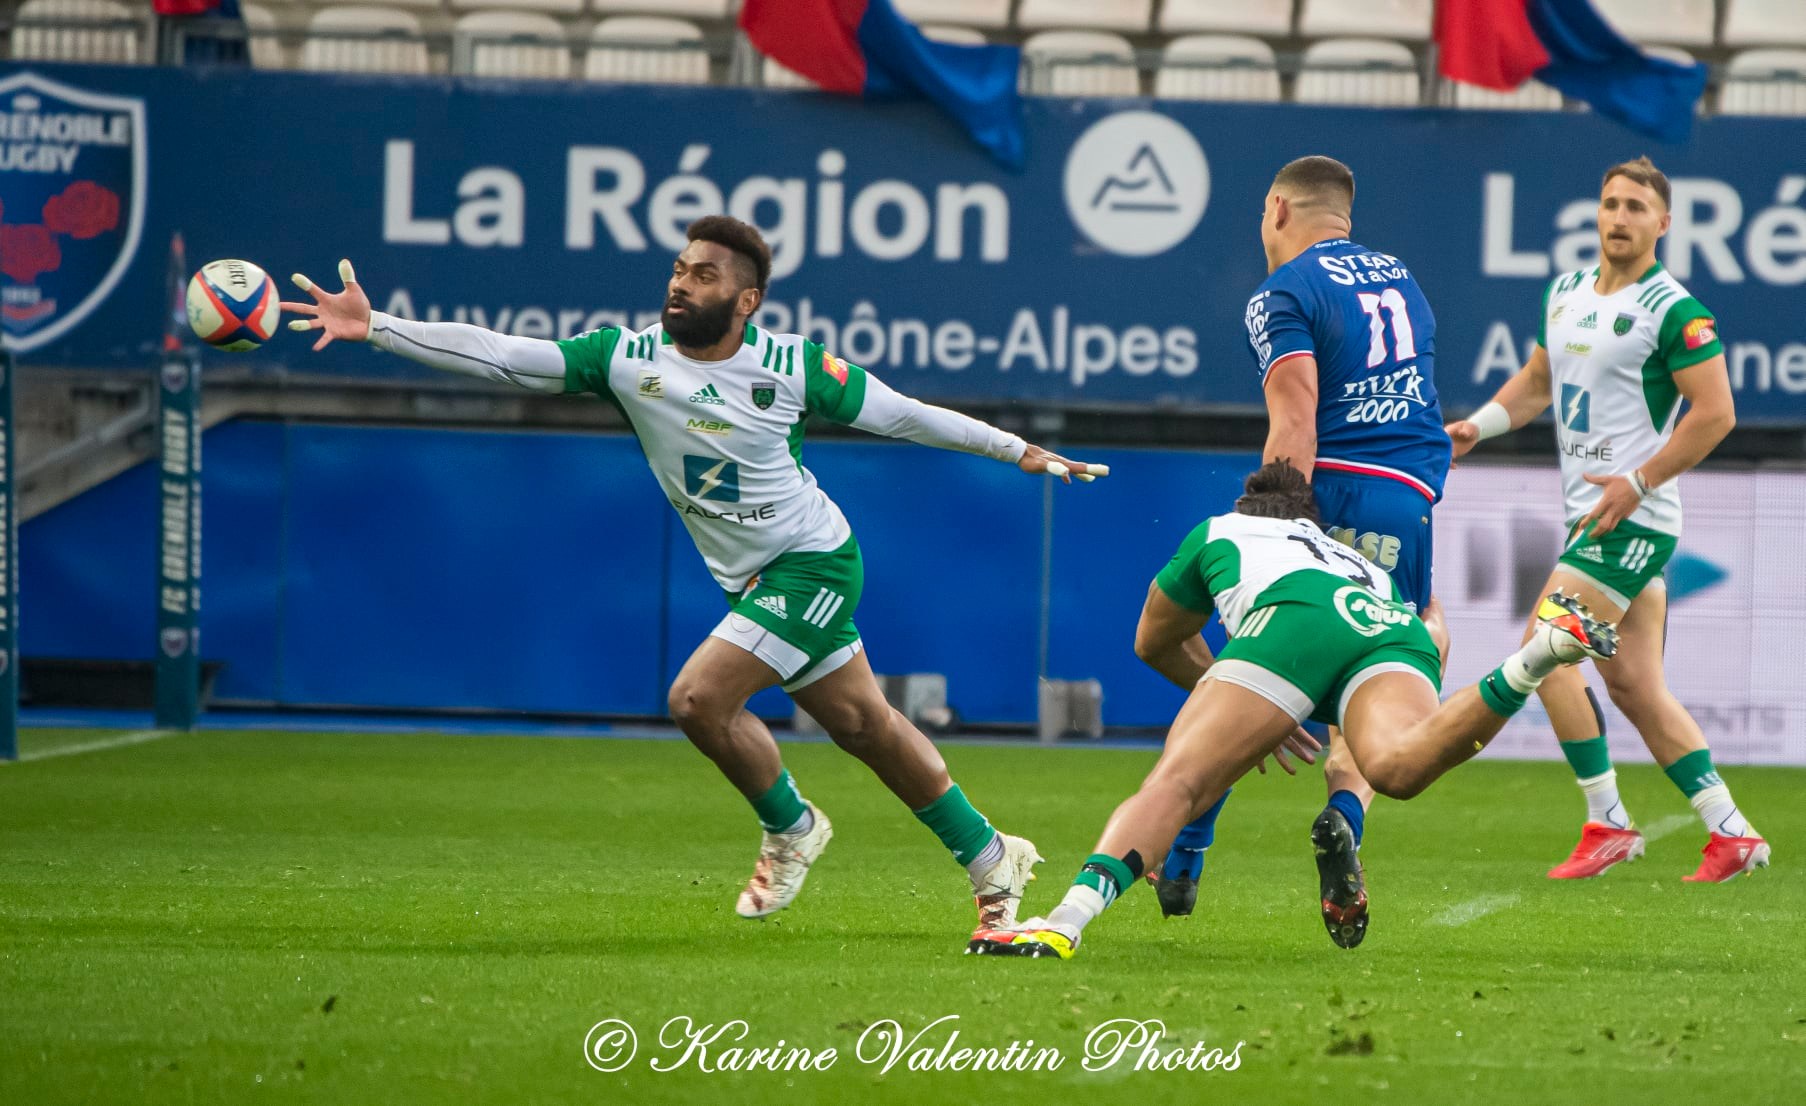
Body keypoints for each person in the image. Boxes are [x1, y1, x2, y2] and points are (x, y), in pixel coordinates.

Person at [282, 215, 1110, 932]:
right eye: (679, 269)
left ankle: (791, 827)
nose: (681, 284)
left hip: (814, 561)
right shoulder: (626, 358)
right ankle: (991, 857)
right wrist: (378, 326)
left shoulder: (790, 366)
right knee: (866, 727)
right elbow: (504, 357)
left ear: (745, 300)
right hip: (751, 582)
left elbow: (901, 414)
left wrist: (1017, 450)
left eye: (704, 274)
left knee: (697, 698)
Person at [968, 462, 1617, 959]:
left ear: (1247, 504)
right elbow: (1432, 623)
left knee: (1177, 782)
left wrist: (1241, 694)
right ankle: (1536, 656)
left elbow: (1152, 640)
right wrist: (1258, 703)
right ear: (1310, 518)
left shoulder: (1220, 529)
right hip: (1388, 622)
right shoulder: (1355, 557)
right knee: (1396, 768)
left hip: (1292, 619)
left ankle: (1062, 924)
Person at [1154, 156, 1452, 948]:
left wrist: (1279, 511)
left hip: (1328, 485)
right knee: (1394, 658)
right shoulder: (1405, 280)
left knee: (1246, 664)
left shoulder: (1282, 292)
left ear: (1276, 208)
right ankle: (1345, 814)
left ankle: (1184, 848)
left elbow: (1297, 411)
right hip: (1407, 497)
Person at [1447, 157, 1769, 883]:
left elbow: (1717, 413)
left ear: (1664, 223)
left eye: (1635, 207)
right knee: (1634, 687)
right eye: (1610, 203)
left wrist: (1640, 479)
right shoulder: (1563, 294)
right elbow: (1535, 384)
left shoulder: (1674, 309)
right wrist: (1478, 427)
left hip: (1635, 519)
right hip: (1592, 517)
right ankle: (1731, 831)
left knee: (1544, 647)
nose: (1619, 217)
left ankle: (1608, 821)